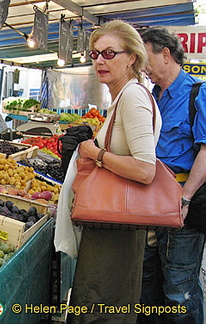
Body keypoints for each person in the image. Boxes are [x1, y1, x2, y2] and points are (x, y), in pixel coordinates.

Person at [66, 20, 162, 323]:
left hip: (117, 223)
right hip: (111, 218)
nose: (100, 61)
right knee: (99, 302)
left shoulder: (133, 97)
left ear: (131, 57)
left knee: (101, 306)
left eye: (109, 53)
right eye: (95, 54)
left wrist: (96, 153)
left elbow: (146, 170)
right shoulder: (123, 96)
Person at [138, 27, 206, 324]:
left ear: (165, 54)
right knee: (148, 278)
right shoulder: (149, 97)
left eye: (145, 59)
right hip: (148, 201)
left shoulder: (197, 93)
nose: (142, 68)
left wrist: (185, 197)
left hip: (182, 203)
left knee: (180, 286)